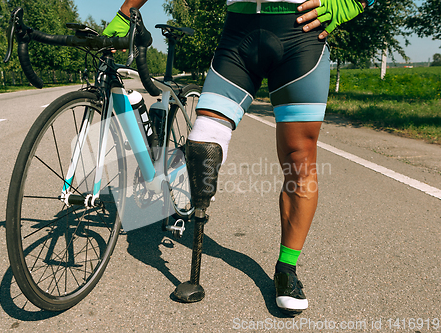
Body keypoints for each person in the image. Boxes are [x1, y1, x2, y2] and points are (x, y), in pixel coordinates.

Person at [104, 0, 372, 315]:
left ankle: (287, 268)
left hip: (300, 38)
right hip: (238, 36)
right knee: (203, 142)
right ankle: (187, 209)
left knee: (299, 160)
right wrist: (126, 11)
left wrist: (354, 2)